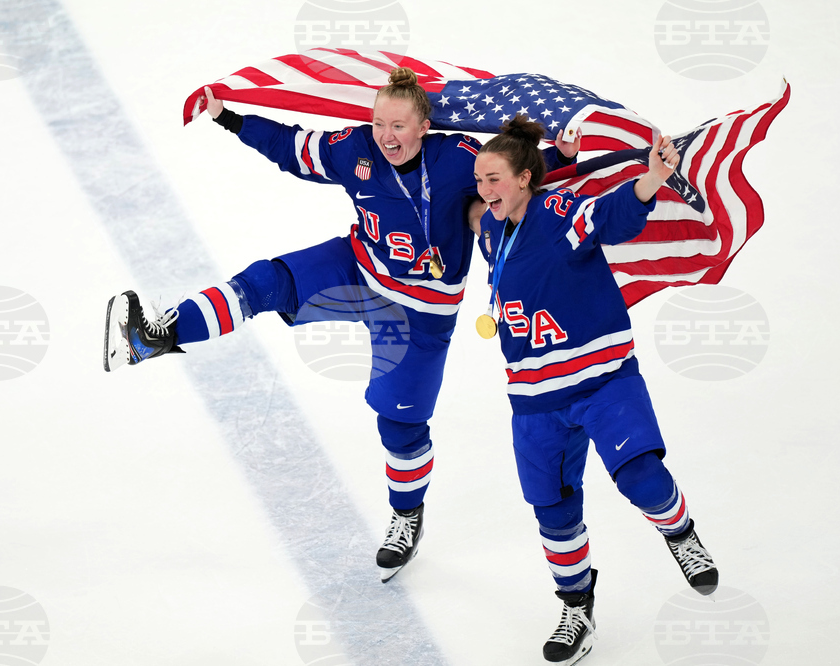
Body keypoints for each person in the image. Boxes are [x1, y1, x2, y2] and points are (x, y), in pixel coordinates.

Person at [103, 69, 579, 582]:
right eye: (379, 124)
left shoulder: (458, 158)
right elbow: (292, 148)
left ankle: (406, 515)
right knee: (265, 283)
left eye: (399, 126)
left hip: (421, 312)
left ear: (424, 127)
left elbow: (514, 175)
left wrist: (562, 157)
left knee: (399, 425)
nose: (386, 136)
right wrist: (230, 118)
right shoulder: (354, 148)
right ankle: (154, 337)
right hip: (357, 270)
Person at [471, 116, 718, 665]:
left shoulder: (560, 213)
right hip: (534, 399)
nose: (484, 190)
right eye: (479, 180)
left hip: (602, 378)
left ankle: (680, 534)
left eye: (494, 179)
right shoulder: (491, 229)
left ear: (524, 179)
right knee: (554, 512)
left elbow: (608, 214)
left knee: (642, 477)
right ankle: (577, 609)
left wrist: (651, 181)